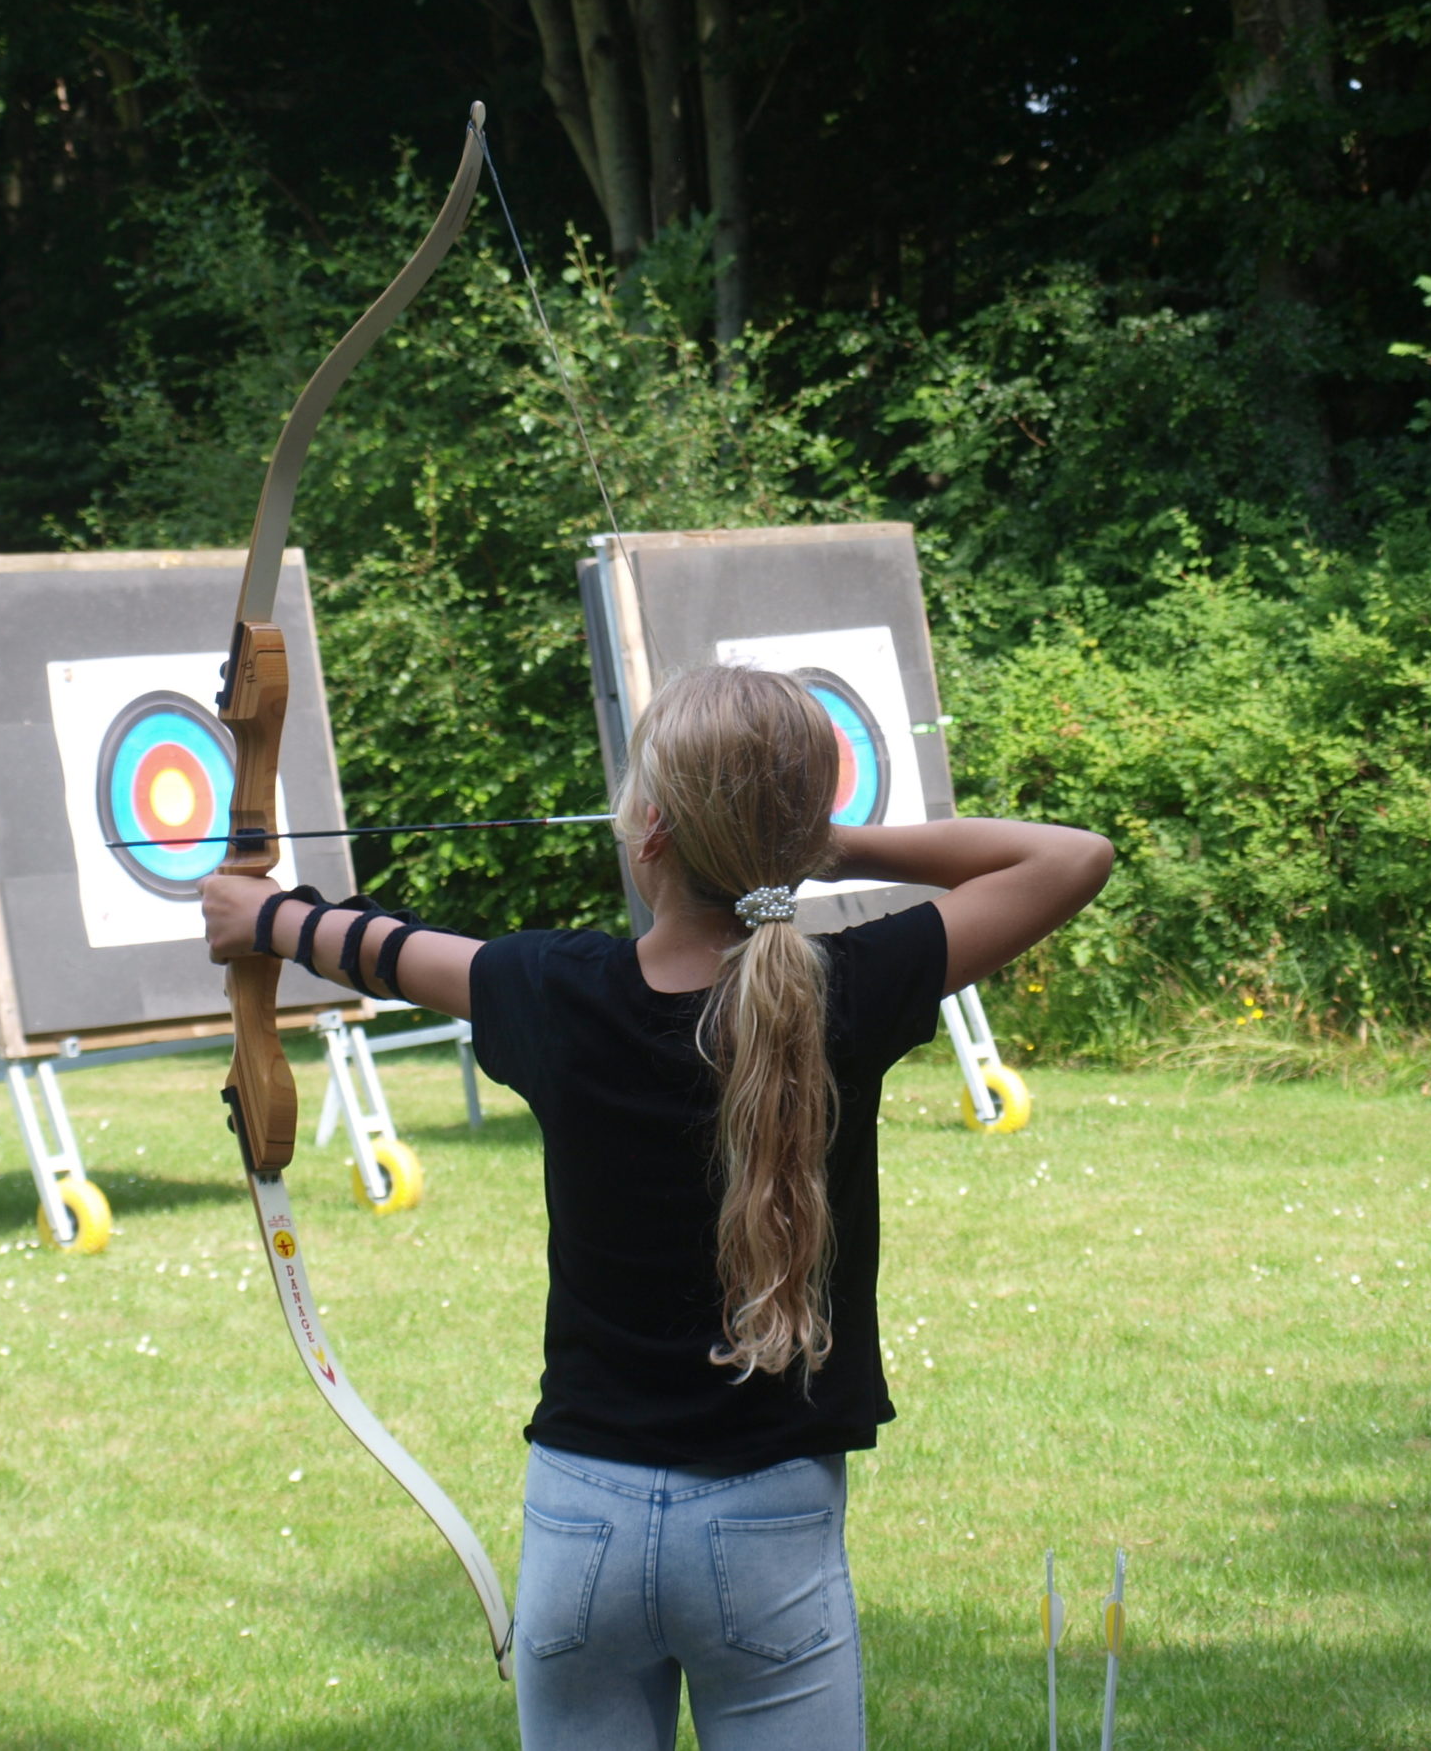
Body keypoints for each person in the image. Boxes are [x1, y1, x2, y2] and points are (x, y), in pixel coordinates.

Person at [203, 663, 1113, 1750]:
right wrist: (820, 845)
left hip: (582, 1517)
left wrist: (265, 915)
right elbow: (1071, 857)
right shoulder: (849, 987)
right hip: (769, 1517)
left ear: (648, 833)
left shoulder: (550, 988)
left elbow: (384, 951)